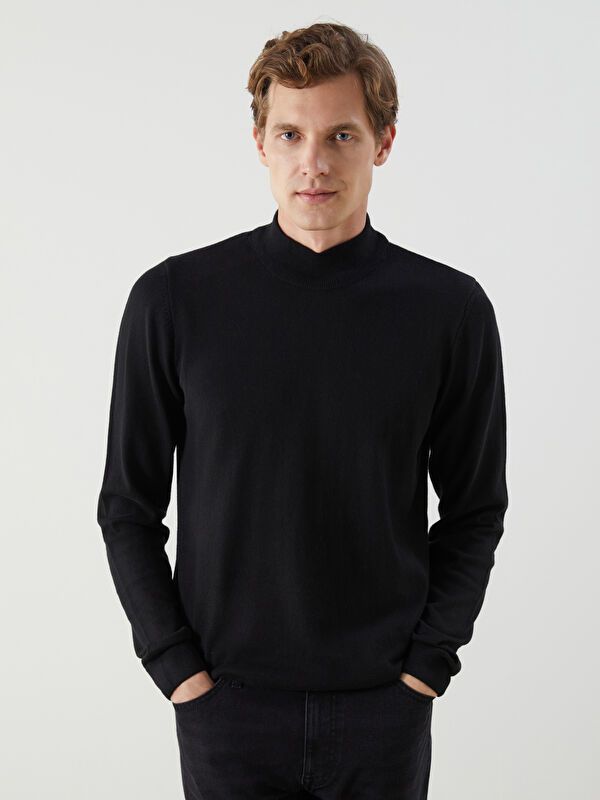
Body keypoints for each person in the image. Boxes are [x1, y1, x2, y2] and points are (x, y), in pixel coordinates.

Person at [97, 21, 508, 799]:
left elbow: (475, 509)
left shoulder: (448, 311)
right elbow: (127, 507)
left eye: (341, 135)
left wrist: (426, 668)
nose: (313, 162)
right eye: (290, 134)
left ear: (383, 143)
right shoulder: (175, 301)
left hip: (384, 708)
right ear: (260, 143)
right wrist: (178, 669)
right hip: (226, 707)